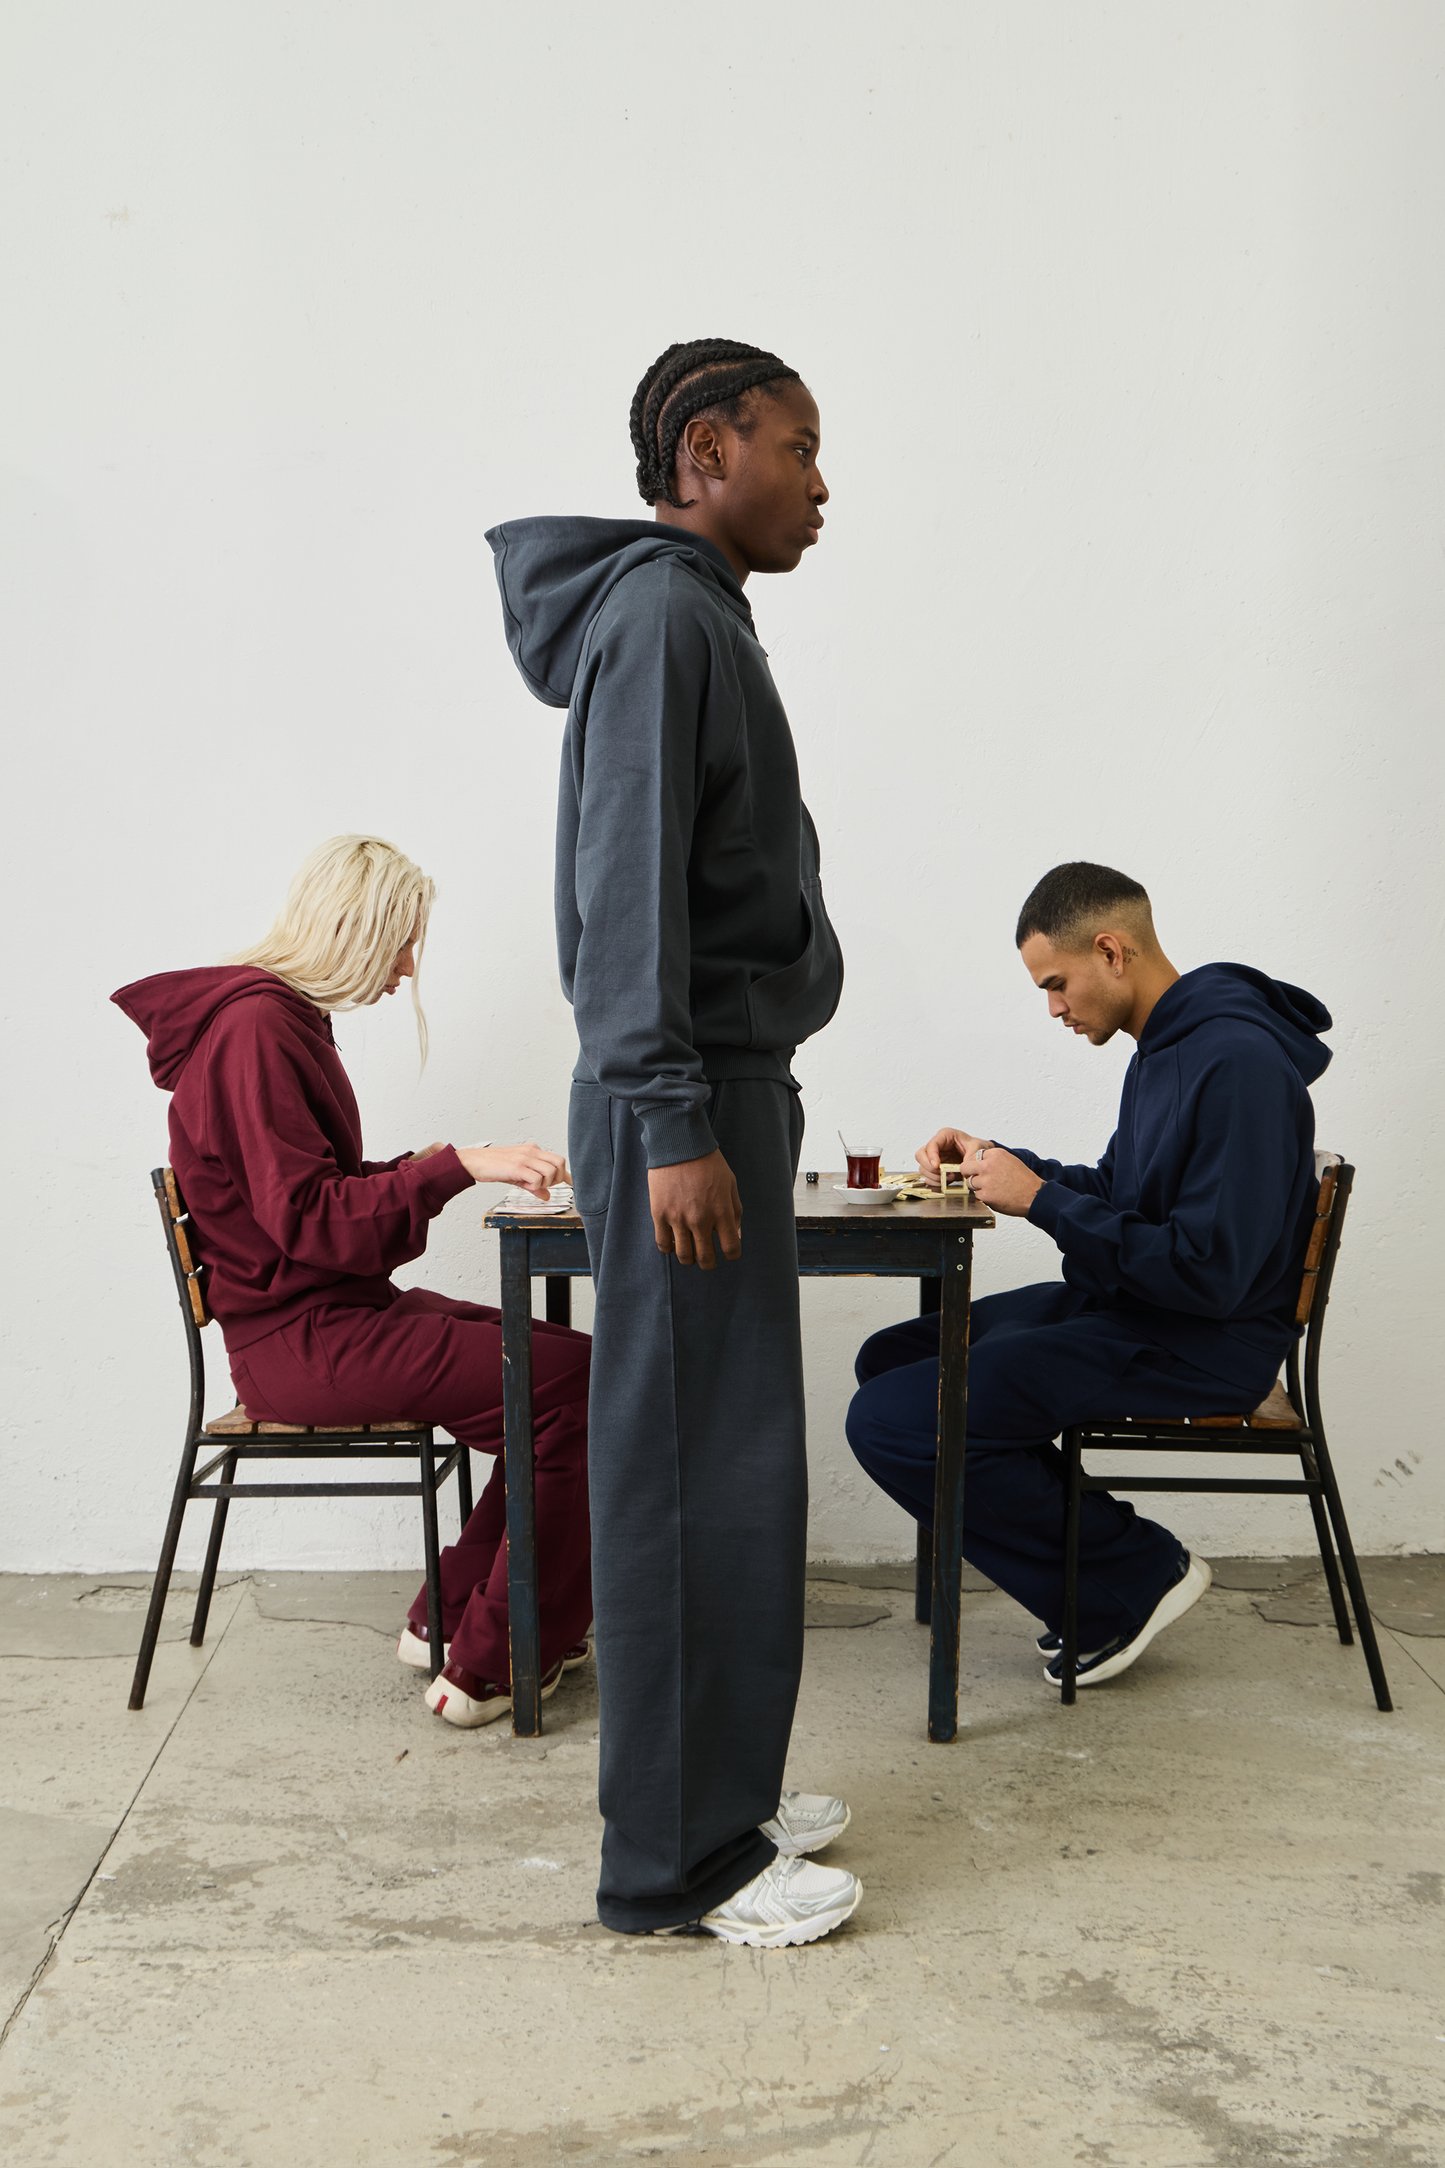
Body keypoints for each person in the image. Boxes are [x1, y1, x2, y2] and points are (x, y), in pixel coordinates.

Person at [486, 339, 860, 1949]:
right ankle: (674, 1865)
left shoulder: (693, 615)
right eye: (799, 447)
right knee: (689, 1473)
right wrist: (667, 1117)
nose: (822, 484)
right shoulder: (659, 618)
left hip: (711, 1089)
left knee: (733, 1461)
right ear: (709, 450)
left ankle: (721, 1795)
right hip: (682, 1099)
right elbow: (624, 886)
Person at [113, 833, 592, 1727]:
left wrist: (441, 1166)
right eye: (401, 944)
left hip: (331, 1320)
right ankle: (497, 1657)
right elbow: (310, 1218)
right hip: (305, 1344)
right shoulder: (254, 1031)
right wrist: (452, 1167)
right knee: (583, 1389)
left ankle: (448, 1615)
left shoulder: (276, 1022)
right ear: (355, 931)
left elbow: (303, 1196)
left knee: (576, 1367)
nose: (407, 969)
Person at [847, 860, 1333, 1689]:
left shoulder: (1236, 1063)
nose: (1053, 1009)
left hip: (1197, 1340)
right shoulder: (1166, 1048)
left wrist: (1039, 1203)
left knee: (894, 1420)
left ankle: (1125, 1579)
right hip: (1139, 1309)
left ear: (1110, 951)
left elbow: (1210, 1274)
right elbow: (1118, 1192)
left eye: (1056, 984)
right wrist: (1000, 1162)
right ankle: (1095, 1560)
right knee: (891, 1360)